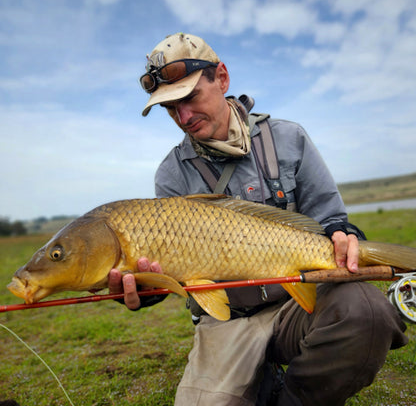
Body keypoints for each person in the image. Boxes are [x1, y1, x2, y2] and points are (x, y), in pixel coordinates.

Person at [108, 33, 408, 405]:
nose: (182, 117)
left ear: (222, 78)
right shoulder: (171, 174)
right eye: (171, 109)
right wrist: (144, 291)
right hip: (227, 319)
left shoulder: (288, 138)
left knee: (367, 312)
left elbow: (331, 218)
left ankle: (293, 394)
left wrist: (343, 234)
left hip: (299, 302)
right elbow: (169, 270)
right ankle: (259, 377)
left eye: (188, 98)